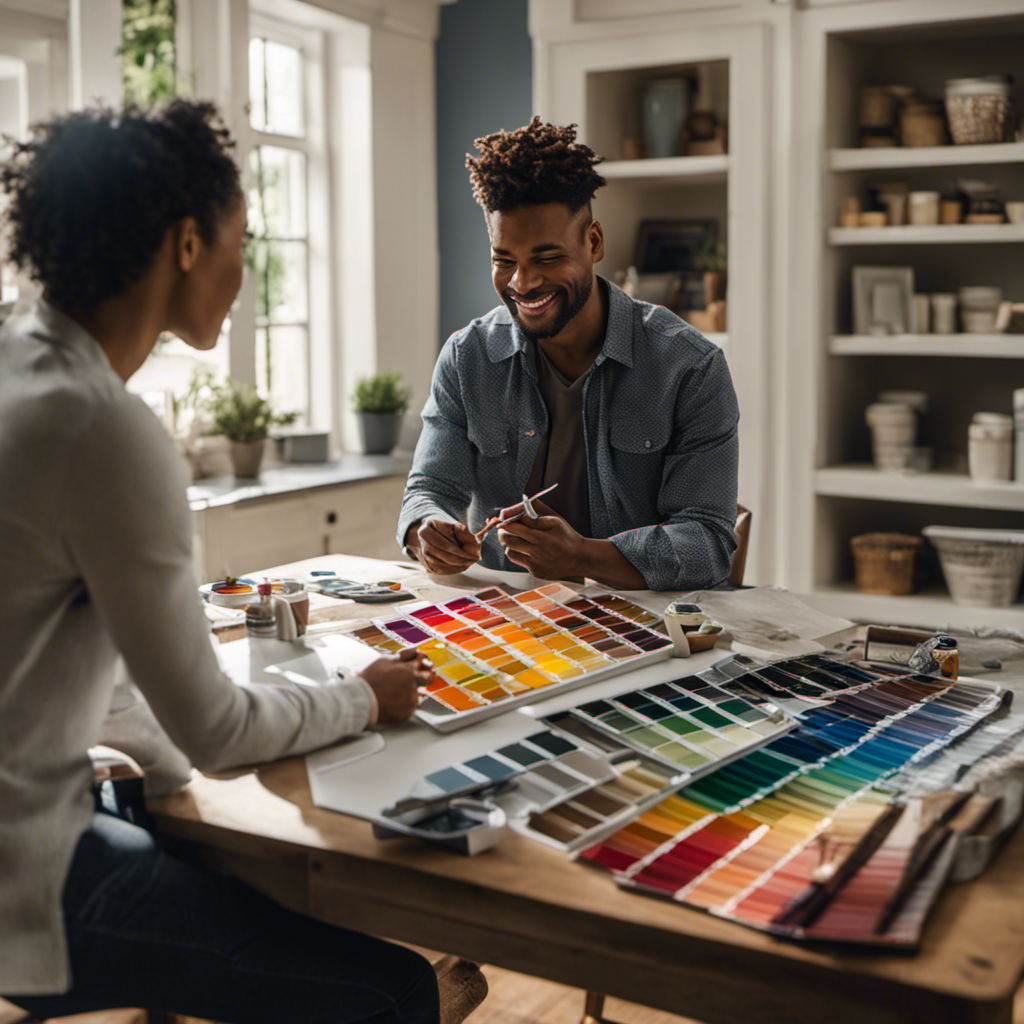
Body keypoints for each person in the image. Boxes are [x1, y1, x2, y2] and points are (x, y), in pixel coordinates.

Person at [0, 101, 446, 1023]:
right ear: (188, 243)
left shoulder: (19, 367)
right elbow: (217, 731)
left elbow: (79, 659)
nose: (248, 273)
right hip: (27, 887)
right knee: (394, 989)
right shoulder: (105, 429)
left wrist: (168, 790)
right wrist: (371, 696)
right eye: (244, 241)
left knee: (214, 874)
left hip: (56, 824)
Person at [398, 117, 739, 592]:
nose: (523, 283)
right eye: (504, 261)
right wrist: (427, 531)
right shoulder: (466, 358)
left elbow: (708, 543)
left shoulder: (689, 366)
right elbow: (428, 491)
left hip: (648, 627)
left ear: (593, 242)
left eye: (546, 258)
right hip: (513, 623)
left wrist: (583, 556)